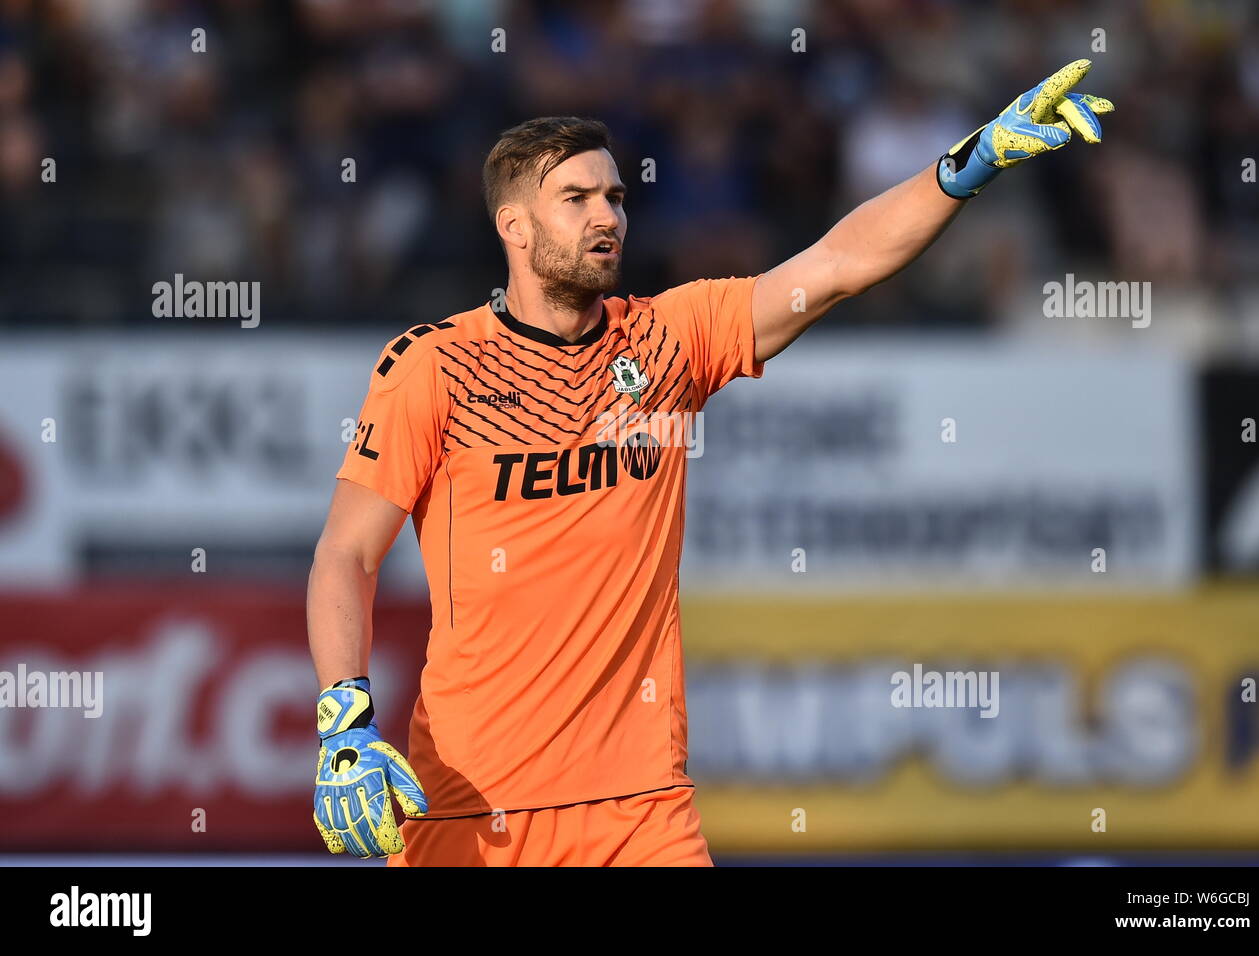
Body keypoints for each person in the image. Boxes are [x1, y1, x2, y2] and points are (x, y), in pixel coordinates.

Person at [307, 60, 1112, 866]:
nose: (608, 217)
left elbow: (836, 266)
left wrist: (967, 165)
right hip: (472, 813)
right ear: (514, 227)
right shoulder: (435, 366)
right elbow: (348, 553)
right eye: (577, 199)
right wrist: (345, 722)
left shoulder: (668, 339)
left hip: (642, 812)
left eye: (617, 198)